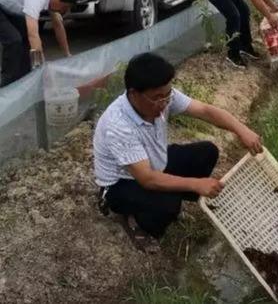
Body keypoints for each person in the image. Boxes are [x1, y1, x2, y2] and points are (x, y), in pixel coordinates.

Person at [93, 53, 264, 252]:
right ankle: (136, 221)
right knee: (169, 205)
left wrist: (241, 130)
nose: (164, 102)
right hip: (122, 183)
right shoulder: (118, 124)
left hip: (151, 162)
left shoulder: (164, 97)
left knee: (207, 152)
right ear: (133, 94)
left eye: (167, 95)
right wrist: (195, 184)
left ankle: (171, 197)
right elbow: (147, 179)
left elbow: (205, 111)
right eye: (157, 98)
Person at [0, 0, 76, 87]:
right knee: (14, 40)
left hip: (6, 4)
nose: (63, 11)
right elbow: (33, 35)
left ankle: (23, 79)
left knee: (24, 35)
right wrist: (43, 67)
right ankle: (6, 85)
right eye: (64, 7)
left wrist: (67, 54)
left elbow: (58, 25)